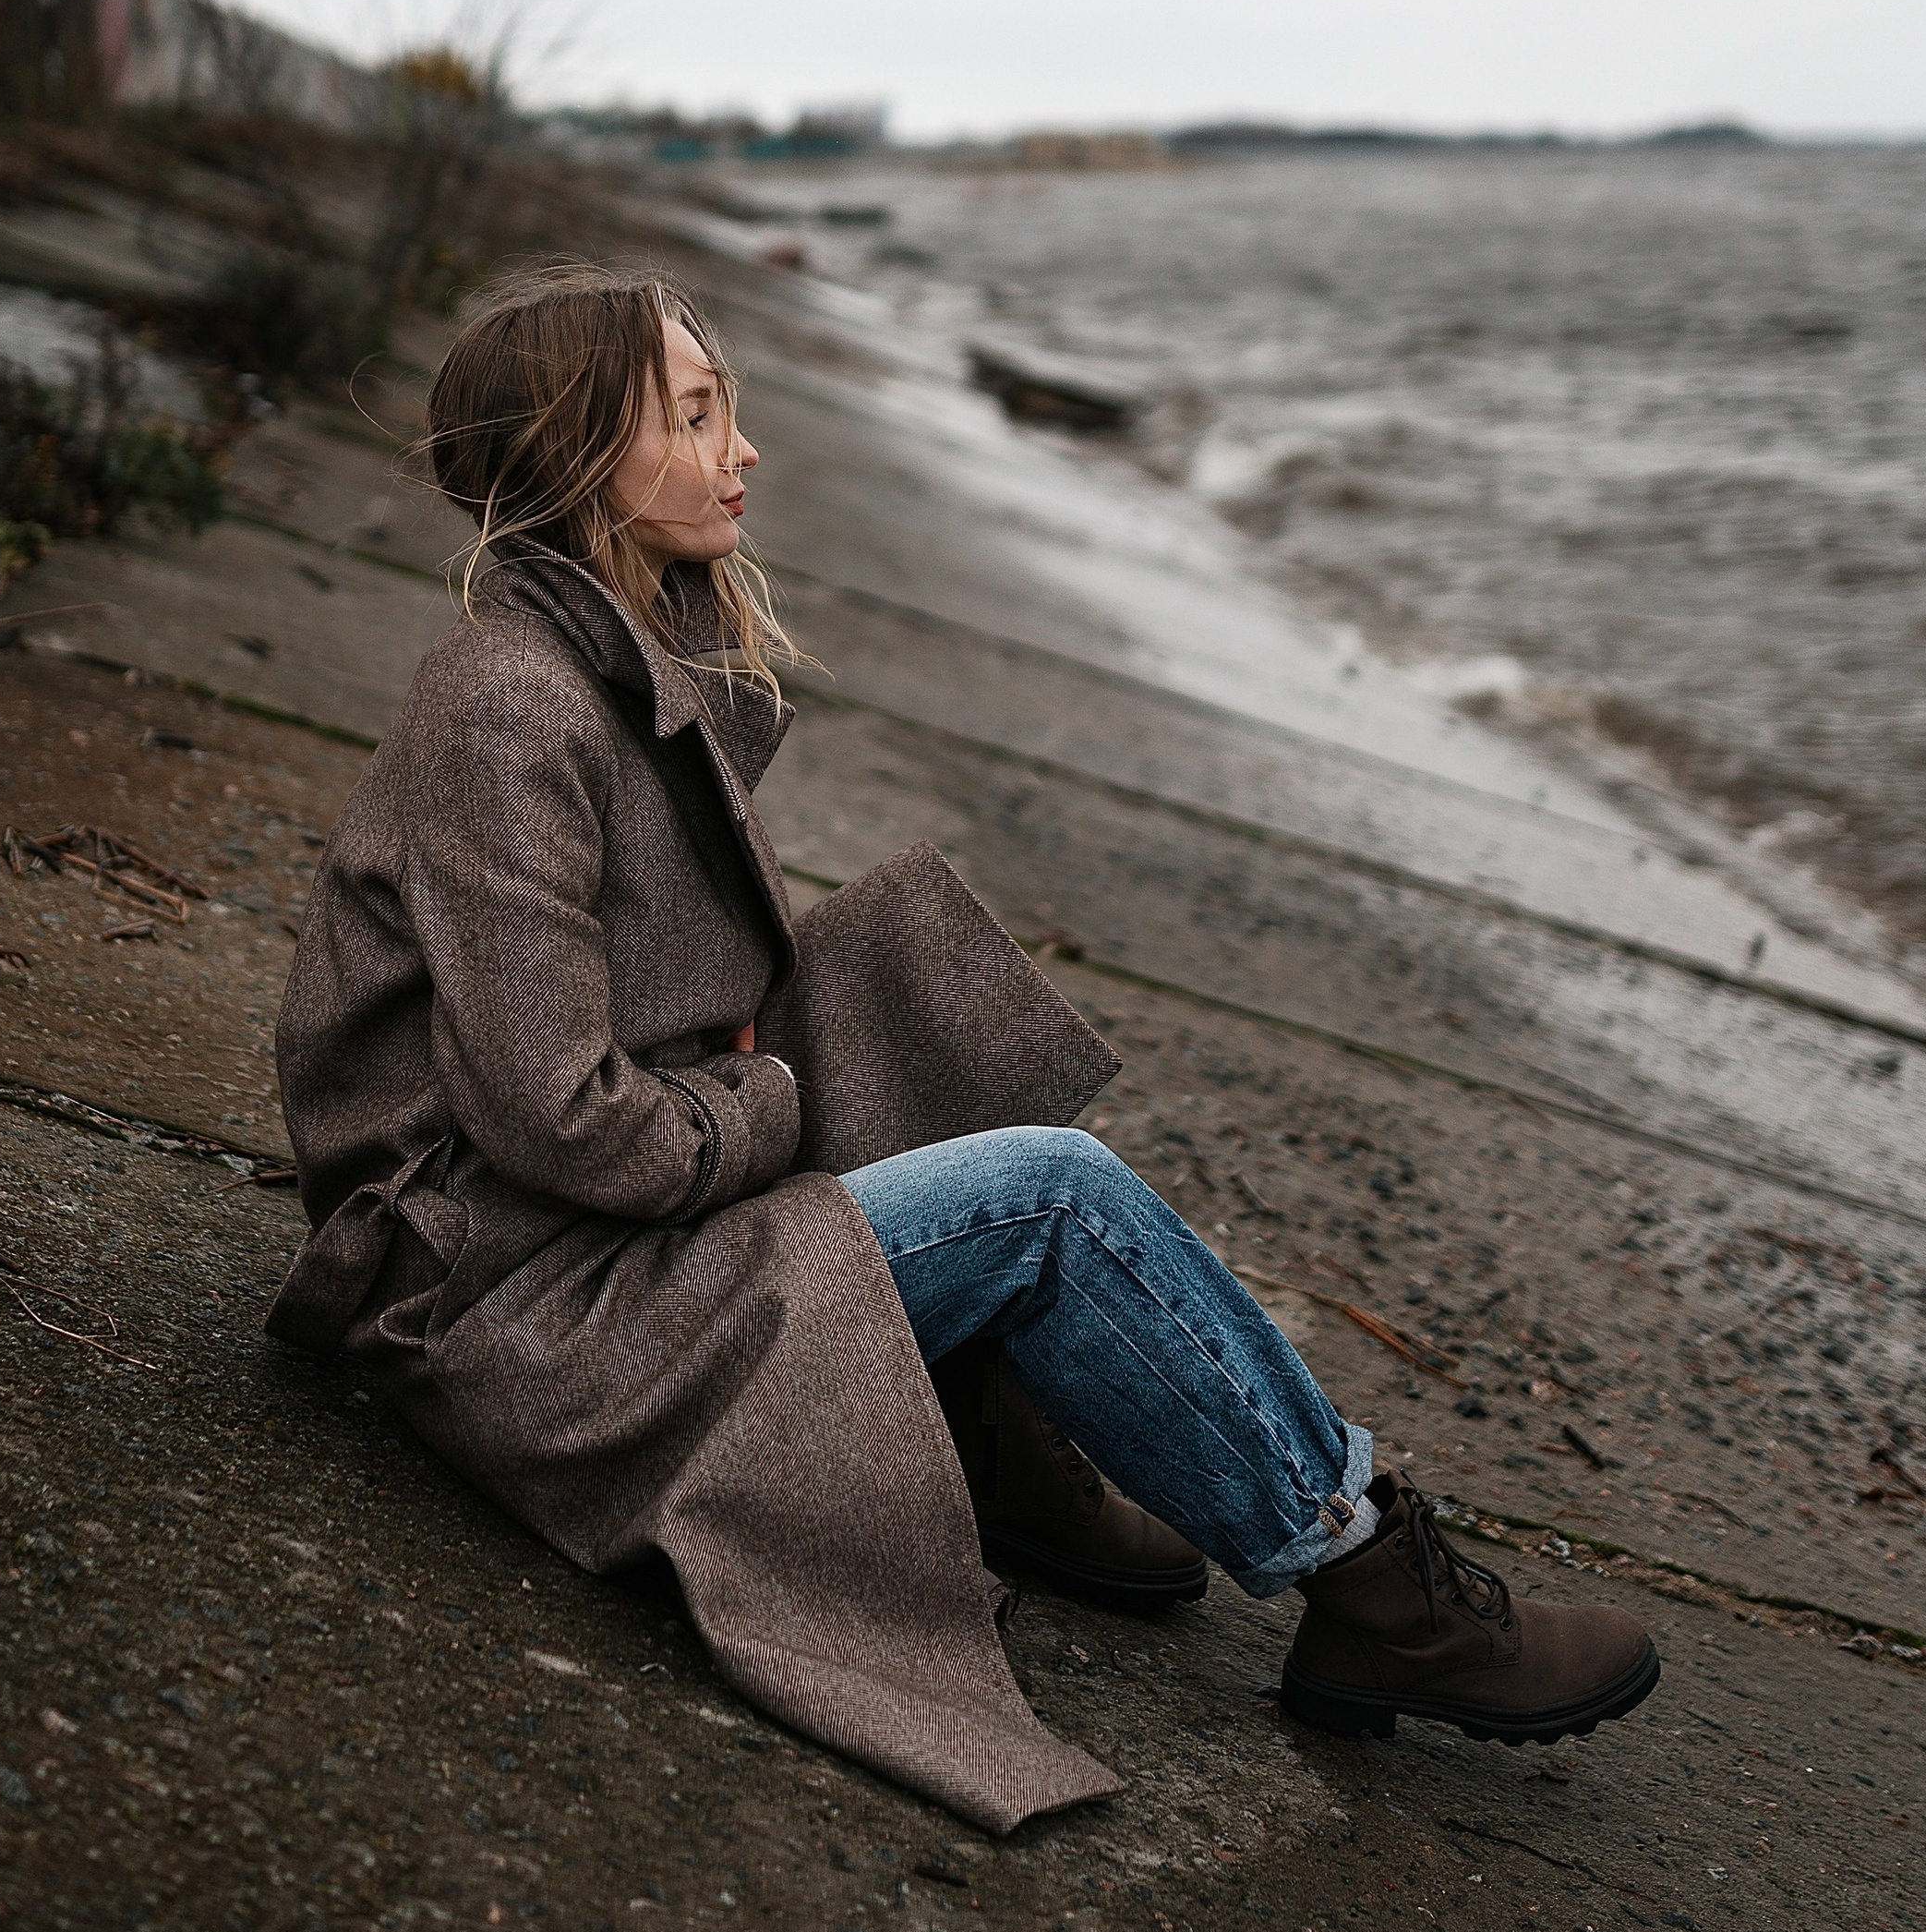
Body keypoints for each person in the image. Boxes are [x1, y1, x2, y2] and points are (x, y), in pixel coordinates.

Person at [269, 266, 1656, 1830]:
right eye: (699, 415)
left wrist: (750, 1077)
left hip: (542, 1229)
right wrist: (757, 1103)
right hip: (501, 1291)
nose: (743, 450)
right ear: (585, 455)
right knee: (1053, 1193)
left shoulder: (600, 652)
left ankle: (981, 1432)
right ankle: (1373, 1580)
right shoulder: (512, 707)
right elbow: (558, 1118)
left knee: (900, 965)